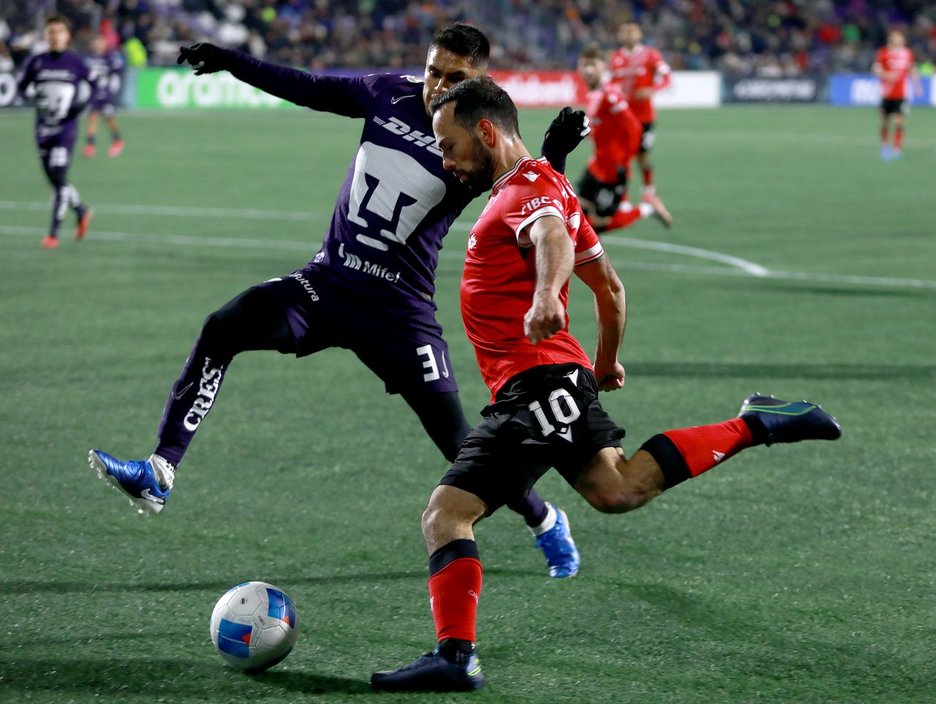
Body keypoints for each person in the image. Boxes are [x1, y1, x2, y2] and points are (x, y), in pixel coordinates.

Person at [370, 76, 842, 692]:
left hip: (531, 384)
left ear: (486, 132)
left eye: (450, 143)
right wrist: (604, 364)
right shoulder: (553, 185)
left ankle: (456, 658)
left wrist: (545, 295)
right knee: (617, 488)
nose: (445, 157)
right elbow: (611, 291)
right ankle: (759, 422)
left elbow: (550, 238)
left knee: (446, 515)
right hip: (560, 377)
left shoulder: (526, 195)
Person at [87, 24, 590, 579]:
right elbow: (308, 86)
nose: (437, 86)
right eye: (433, 71)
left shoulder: (477, 134)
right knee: (223, 326)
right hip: (326, 285)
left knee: (457, 442)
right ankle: (161, 470)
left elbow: (529, 192)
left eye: (455, 78)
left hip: (400, 311)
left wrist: (554, 155)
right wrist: (232, 60)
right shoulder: (385, 93)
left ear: (481, 83)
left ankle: (544, 520)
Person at [16, 15, 94, 249]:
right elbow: (21, 88)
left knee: (59, 179)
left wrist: (79, 107)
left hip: (65, 130)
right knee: (53, 179)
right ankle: (81, 211)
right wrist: (31, 97)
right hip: (42, 129)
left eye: (59, 31)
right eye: (51, 31)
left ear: (67, 35)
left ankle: (53, 233)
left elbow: (94, 87)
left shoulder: (76, 62)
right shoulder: (37, 62)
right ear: (45, 35)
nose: (55, 35)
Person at [576, 44, 670, 233]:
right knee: (579, 214)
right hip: (596, 165)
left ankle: (647, 209)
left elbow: (634, 127)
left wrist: (625, 161)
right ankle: (588, 261)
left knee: (599, 225)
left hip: (612, 171)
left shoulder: (611, 95)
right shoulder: (594, 93)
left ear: (603, 67)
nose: (588, 70)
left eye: (593, 65)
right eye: (584, 65)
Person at [609, 21, 671, 199]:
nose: (629, 34)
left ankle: (648, 190)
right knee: (622, 158)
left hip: (644, 117)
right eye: (625, 31)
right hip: (622, 117)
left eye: (632, 31)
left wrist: (652, 90)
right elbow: (612, 84)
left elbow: (667, 78)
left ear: (640, 34)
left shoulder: (651, 55)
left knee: (642, 157)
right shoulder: (615, 58)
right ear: (620, 35)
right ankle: (624, 197)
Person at [871, 29, 921, 161]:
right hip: (886, 94)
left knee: (899, 122)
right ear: (891, 39)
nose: (899, 40)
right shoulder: (883, 53)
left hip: (901, 95)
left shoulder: (907, 54)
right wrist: (886, 75)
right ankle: (884, 147)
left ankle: (897, 148)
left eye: (901, 38)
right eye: (896, 38)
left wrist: (917, 85)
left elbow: (912, 69)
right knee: (885, 122)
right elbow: (875, 69)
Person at [83, 33, 125, 158]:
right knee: (92, 117)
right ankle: (90, 145)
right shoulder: (89, 58)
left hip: (107, 93)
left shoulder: (111, 57)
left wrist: (113, 89)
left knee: (109, 118)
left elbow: (118, 72)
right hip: (94, 93)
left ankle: (117, 140)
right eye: (95, 43)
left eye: (99, 43)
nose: (97, 45)